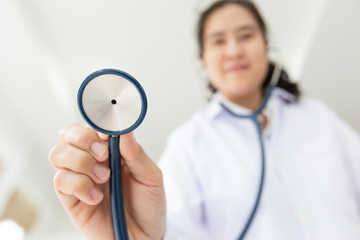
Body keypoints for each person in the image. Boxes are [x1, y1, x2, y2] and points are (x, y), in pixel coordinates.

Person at [49, 0, 360, 239]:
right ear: (204, 62)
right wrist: (134, 233)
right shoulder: (188, 144)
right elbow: (169, 230)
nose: (234, 50)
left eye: (246, 35)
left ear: (267, 48)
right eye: (219, 41)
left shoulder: (318, 117)